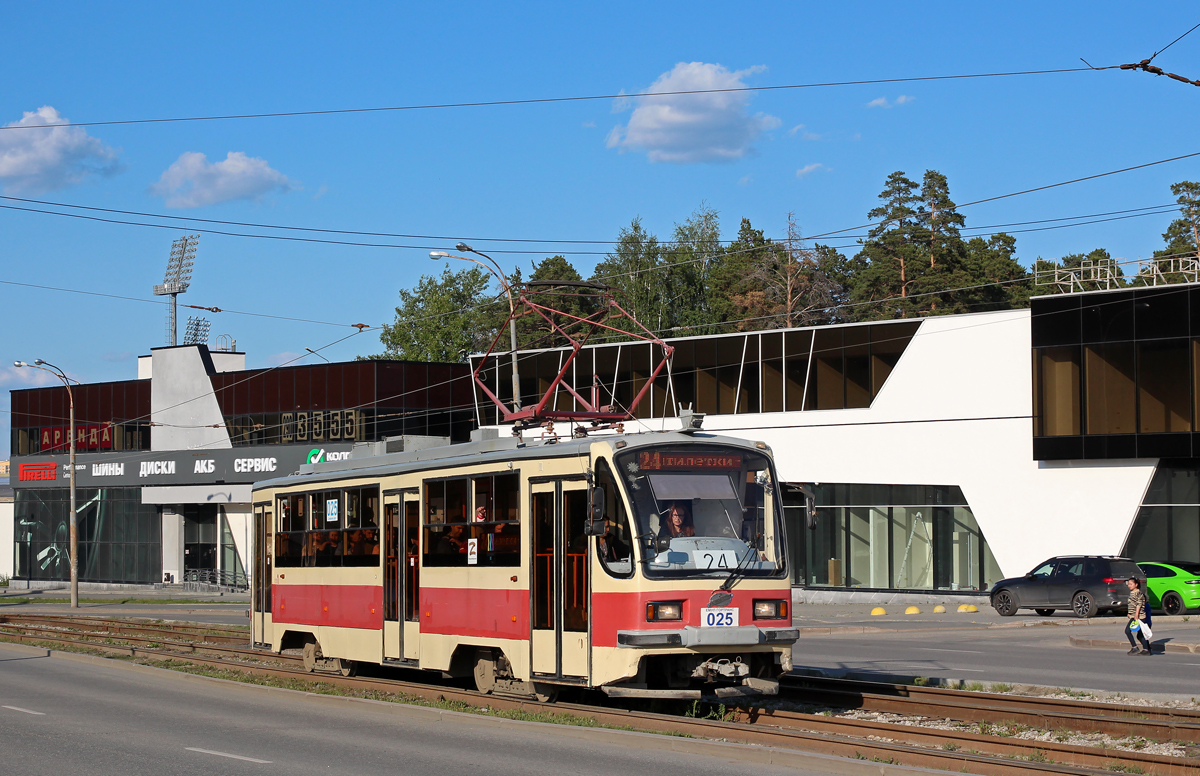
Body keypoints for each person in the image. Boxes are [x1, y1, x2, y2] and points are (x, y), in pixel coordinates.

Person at [1125, 577, 1152, 656]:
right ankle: (1146, 649)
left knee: (1130, 632)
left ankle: (1138, 648)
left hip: (1139, 616)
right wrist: (1129, 613)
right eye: (1128, 584)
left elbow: (1139, 604)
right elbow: (1132, 605)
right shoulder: (1132, 593)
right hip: (1133, 616)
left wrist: (1136, 614)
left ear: (1136, 585)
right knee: (1139, 634)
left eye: (1131, 584)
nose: (1129, 585)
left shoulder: (1138, 593)